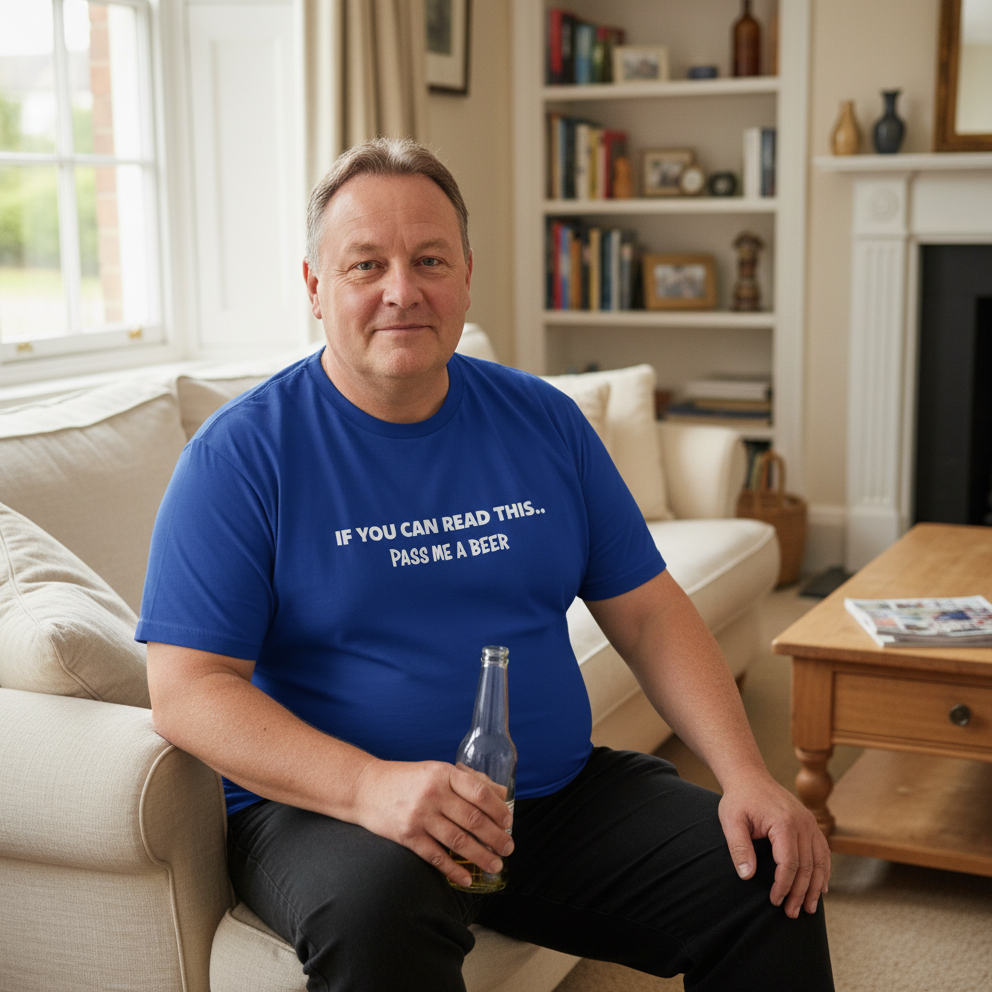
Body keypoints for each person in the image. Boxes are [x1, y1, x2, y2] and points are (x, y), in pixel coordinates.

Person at [138, 137, 833, 992]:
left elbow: (650, 614)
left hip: (552, 799)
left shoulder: (546, 422)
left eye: (430, 259)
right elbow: (186, 688)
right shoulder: (240, 457)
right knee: (379, 916)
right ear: (316, 287)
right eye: (366, 265)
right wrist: (370, 789)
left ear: (466, 272)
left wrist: (747, 775)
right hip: (331, 815)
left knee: (766, 872)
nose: (403, 290)